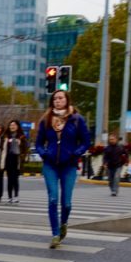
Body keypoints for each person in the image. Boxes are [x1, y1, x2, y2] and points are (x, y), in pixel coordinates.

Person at [35, 90, 91, 249]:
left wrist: (76, 153)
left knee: (66, 203)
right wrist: (43, 154)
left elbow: (86, 142)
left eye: (60, 98)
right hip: (50, 165)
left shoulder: (76, 119)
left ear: (67, 100)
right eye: (55, 99)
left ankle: (64, 223)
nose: (57, 101)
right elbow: (39, 143)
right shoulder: (46, 119)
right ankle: (55, 234)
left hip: (69, 165)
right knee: (53, 199)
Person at [3, 120, 27, 204]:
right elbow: (2, 148)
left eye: (14, 125)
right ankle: (10, 197)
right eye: (10, 125)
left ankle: (16, 196)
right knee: (9, 179)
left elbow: (25, 149)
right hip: (8, 158)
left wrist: (20, 144)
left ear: (17, 126)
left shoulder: (21, 136)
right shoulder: (6, 136)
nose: (12, 126)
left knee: (15, 179)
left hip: (17, 159)